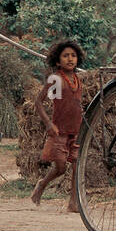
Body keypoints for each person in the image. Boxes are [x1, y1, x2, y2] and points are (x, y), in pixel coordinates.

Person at [30, 40, 85, 212]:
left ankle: (73, 203)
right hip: (59, 130)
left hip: (76, 130)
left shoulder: (77, 79)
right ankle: (42, 184)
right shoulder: (56, 79)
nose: (70, 59)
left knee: (76, 166)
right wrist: (48, 123)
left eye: (73, 56)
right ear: (57, 61)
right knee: (60, 167)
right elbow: (39, 102)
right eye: (66, 56)